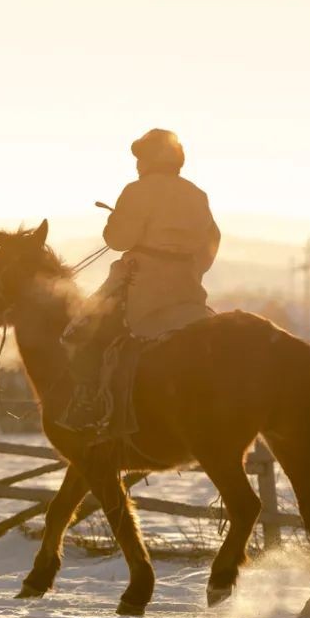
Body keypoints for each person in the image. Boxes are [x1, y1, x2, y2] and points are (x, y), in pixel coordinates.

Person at [58, 129, 221, 433]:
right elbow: (212, 240)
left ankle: (87, 404)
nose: (137, 165)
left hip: (141, 287)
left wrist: (115, 220)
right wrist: (192, 269)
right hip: (188, 289)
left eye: (140, 158)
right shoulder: (197, 194)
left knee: (84, 332)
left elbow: (119, 240)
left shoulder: (137, 190)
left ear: (149, 160)